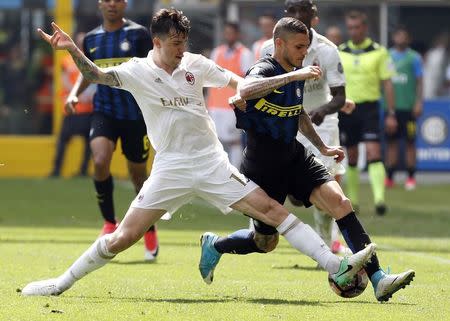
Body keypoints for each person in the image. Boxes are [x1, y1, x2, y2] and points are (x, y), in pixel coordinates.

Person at [22, 9, 376, 298]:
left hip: (212, 163)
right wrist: (71, 48)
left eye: (184, 42)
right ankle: (60, 283)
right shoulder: (136, 70)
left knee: (272, 210)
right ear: (157, 41)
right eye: (175, 43)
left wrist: (277, 82)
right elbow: (96, 75)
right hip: (170, 168)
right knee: (122, 239)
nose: (181, 48)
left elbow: (245, 84)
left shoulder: (196, 64)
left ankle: (335, 266)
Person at [198, 15, 414, 303]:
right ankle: (216, 244)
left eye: (306, 46)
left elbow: (298, 114)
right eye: (299, 47)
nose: (304, 53)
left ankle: (378, 280)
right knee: (265, 242)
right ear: (279, 43)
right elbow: (245, 90)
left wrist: (323, 147)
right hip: (262, 169)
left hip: (296, 158)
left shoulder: (296, 70)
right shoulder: (266, 68)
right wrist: (293, 76)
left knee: (340, 203)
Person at [65, 0, 158, 260]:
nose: (112, 5)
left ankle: (148, 227)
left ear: (125, 4)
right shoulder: (92, 38)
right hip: (104, 111)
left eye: (117, 0)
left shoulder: (138, 34)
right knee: (100, 160)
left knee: (138, 175)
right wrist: (74, 94)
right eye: (107, 0)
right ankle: (109, 222)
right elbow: (88, 72)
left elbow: (153, 67)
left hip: (135, 115)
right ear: (100, 4)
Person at [259, 0, 353, 254]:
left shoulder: (327, 50)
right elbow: (262, 89)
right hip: (287, 122)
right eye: (292, 11)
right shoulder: (270, 48)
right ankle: (259, 232)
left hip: (321, 125)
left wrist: (323, 109)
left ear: (314, 17)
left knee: (327, 186)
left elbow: (339, 96)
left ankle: (328, 244)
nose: (297, 16)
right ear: (285, 15)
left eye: (303, 11)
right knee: (298, 196)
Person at [338, 10, 396, 215]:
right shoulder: (340, 51)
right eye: (350, 27)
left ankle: (379, 200)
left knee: (373, 152)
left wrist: (391, 113)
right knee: (351, 154)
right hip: (347, 108)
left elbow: (387, 83)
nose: (353, 31)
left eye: (357, 27)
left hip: (370, 107)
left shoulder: (379, 52)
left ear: (365, 28)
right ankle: (354, 201)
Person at [206, 22, 253, 167]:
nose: (229, 35)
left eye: (231, 32)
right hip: (215, 105)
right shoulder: (217, 52)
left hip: (232, 105)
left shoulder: (245, 53)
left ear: (237, 34)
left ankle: (236, 172)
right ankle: (221, 172)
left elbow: (248, 80)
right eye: (226, 32)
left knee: (234, 141)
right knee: (217, 141)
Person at [49, 32, 94, 178]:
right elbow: (65, 81)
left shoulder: (92, 61)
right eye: (80, 41)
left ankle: (83, 171)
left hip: (88, 109)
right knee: (62, 141)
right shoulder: (67, 61)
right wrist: (78, 93)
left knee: (89, 143)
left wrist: (89, 95)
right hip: (72, 109)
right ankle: (56, 170)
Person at [384, 27, 423, 191]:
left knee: (410, 143)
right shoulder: (387, 56)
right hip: (391, 108)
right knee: (391, 143)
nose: (400, 39)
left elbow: (420, 81)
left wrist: (418, 102)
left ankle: (411, 178)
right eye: (398, 35)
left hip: (408, 108)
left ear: (408, 39)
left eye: (404, 36)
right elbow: (385, 81)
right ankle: (390, 178)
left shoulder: (414, 57)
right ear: (394, 38)